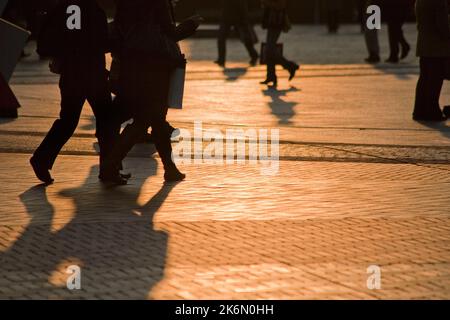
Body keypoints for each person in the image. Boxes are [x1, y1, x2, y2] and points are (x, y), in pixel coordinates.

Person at [102, 0, 201, 184]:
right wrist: (191, 24)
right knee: (148, 118)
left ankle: (169, 168)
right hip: (156, 66)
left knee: (154, 118)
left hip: (131, 64)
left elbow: (119, 28)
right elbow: (170, 33)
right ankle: (111, 165)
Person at [30, 0, 117, 184]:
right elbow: (84, 40)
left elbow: (69, 38)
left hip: (73, 75)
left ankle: (41, 158)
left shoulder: (71, 7)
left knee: (68, 121)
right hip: (90, 74)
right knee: (106, 121)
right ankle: (109, 169)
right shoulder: (83, 9)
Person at [412, 0, 450, 121]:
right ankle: (432, 111)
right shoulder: (439, 2)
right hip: (437, 47)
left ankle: (419, 110)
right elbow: (442, 26)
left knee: (424, 79)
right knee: (434, 80)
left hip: (424, 44)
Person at [260, 0, 299, 87]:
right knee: (269, 50)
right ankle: (272, 75)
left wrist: (267, 3)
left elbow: (280, 5)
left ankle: (290, 66)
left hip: (276, 21)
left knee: (269, 50)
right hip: (271, 20)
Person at [215, 0, 259, 67]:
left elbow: (242, 5)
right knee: (222, 38)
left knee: (222, 38)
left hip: (235, 16)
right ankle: (254, 55)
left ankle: (254, 55)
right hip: (230, 16)